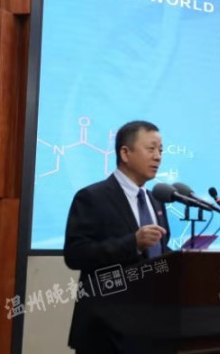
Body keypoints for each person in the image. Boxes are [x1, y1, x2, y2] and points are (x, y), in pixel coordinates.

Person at [64, 120, 171, 354]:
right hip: (106, 331)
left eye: (161, 150)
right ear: (125, 153)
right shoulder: (93, 197)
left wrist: (182, 257)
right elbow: (75, 254)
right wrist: (133, 243)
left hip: (153, 327)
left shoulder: (156, 200)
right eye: (151, 149)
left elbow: (157, 253)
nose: (158, 157)